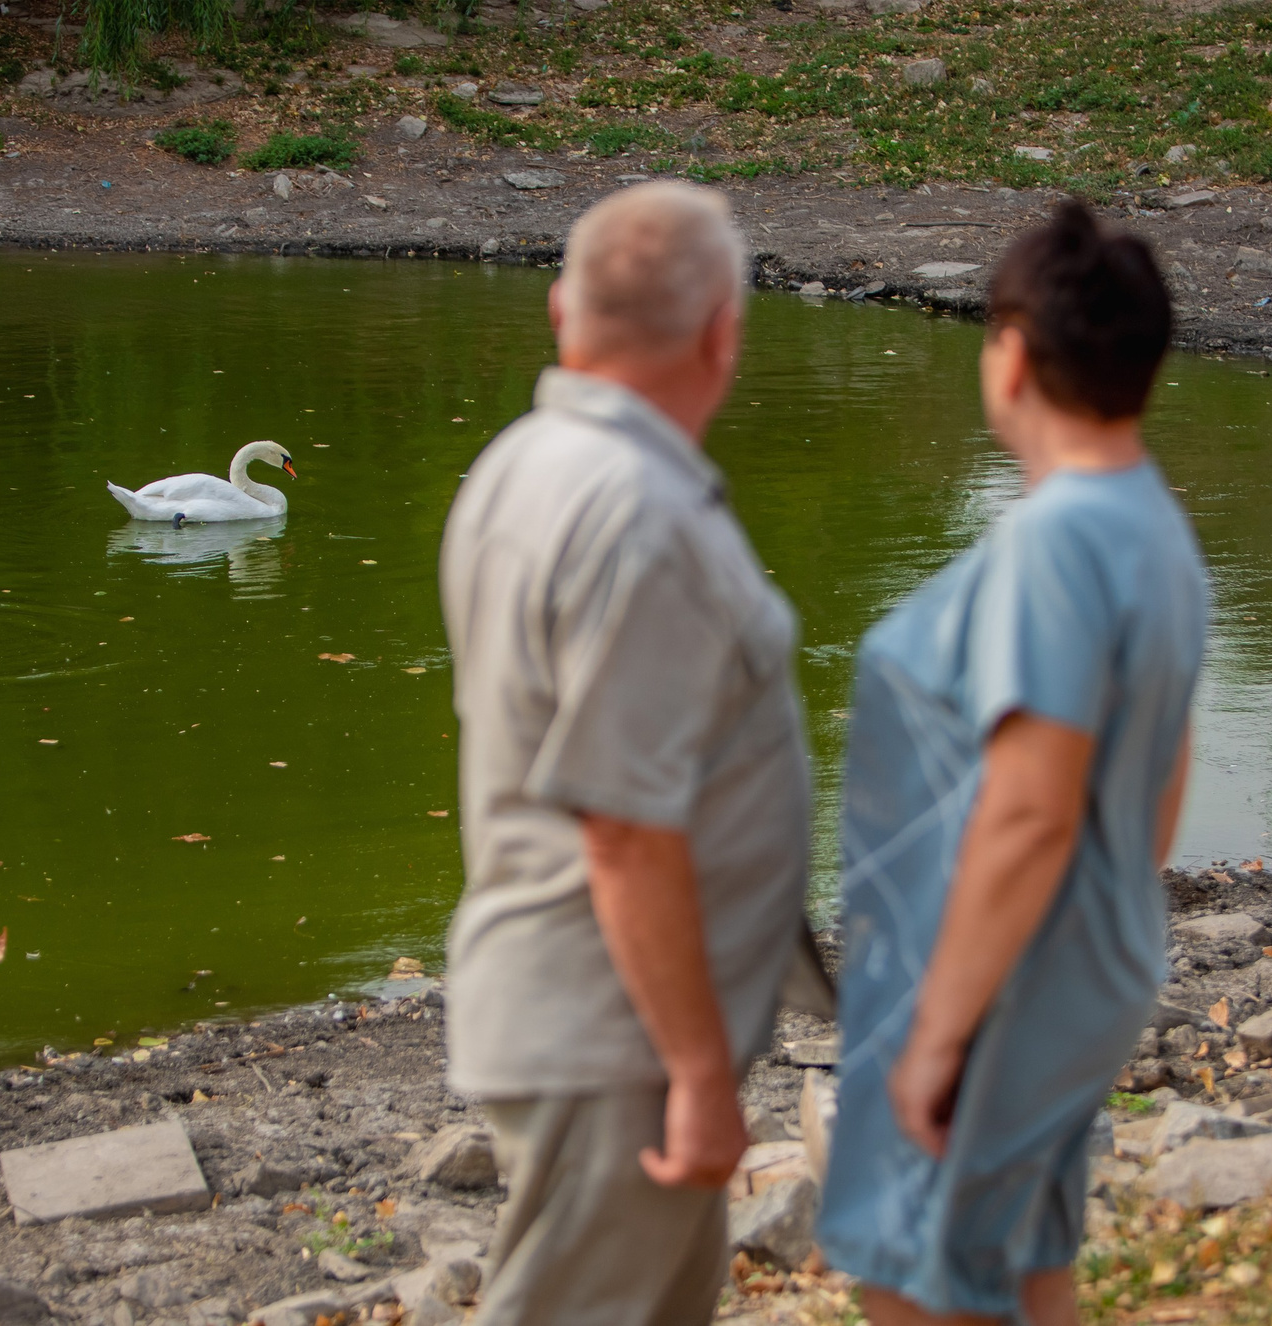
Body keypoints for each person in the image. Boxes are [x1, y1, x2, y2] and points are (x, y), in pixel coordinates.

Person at [817, 203, 1204, 1323]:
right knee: (1029, 1262)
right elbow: (1166, 762)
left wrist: (936, 1037)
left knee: (907, 1274)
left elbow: (1032, 811)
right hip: (1094, 952)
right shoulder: (1152, 521)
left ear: (1016, 355)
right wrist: (1111, 908)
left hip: (1017, 972)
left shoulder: (1056, 539)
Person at [436, 180, 814, 1322]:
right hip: (615, 1037)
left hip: (586, 1013)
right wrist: (697, 1071)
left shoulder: (519, 464)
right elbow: (622, 825)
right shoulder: (640, 519)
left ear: (561, 312)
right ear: (720, 333)